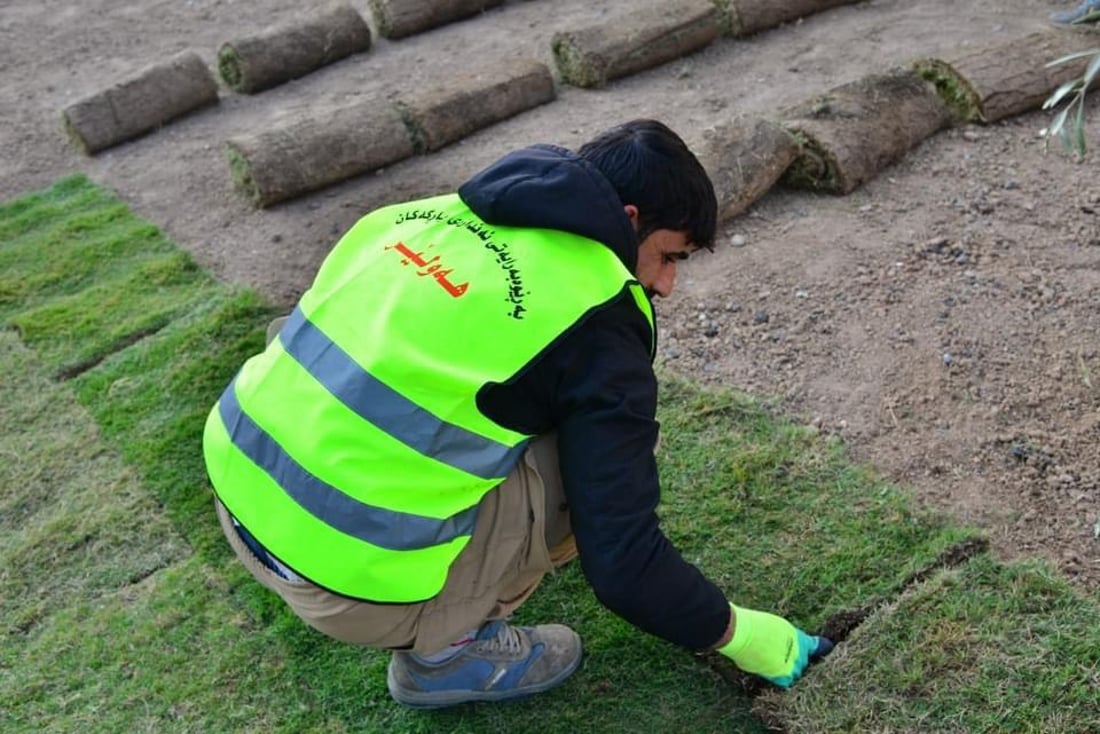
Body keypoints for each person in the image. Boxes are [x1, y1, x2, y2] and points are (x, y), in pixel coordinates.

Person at [202, 119, 833, 709]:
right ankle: (447, 654)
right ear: (630, 219)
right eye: (670, 257)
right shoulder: (600, 316)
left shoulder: (411, 217)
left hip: (237, 500)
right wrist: (750, 637)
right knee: (585, 462)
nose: (666, 285)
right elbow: (623, 564)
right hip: (348, 590)